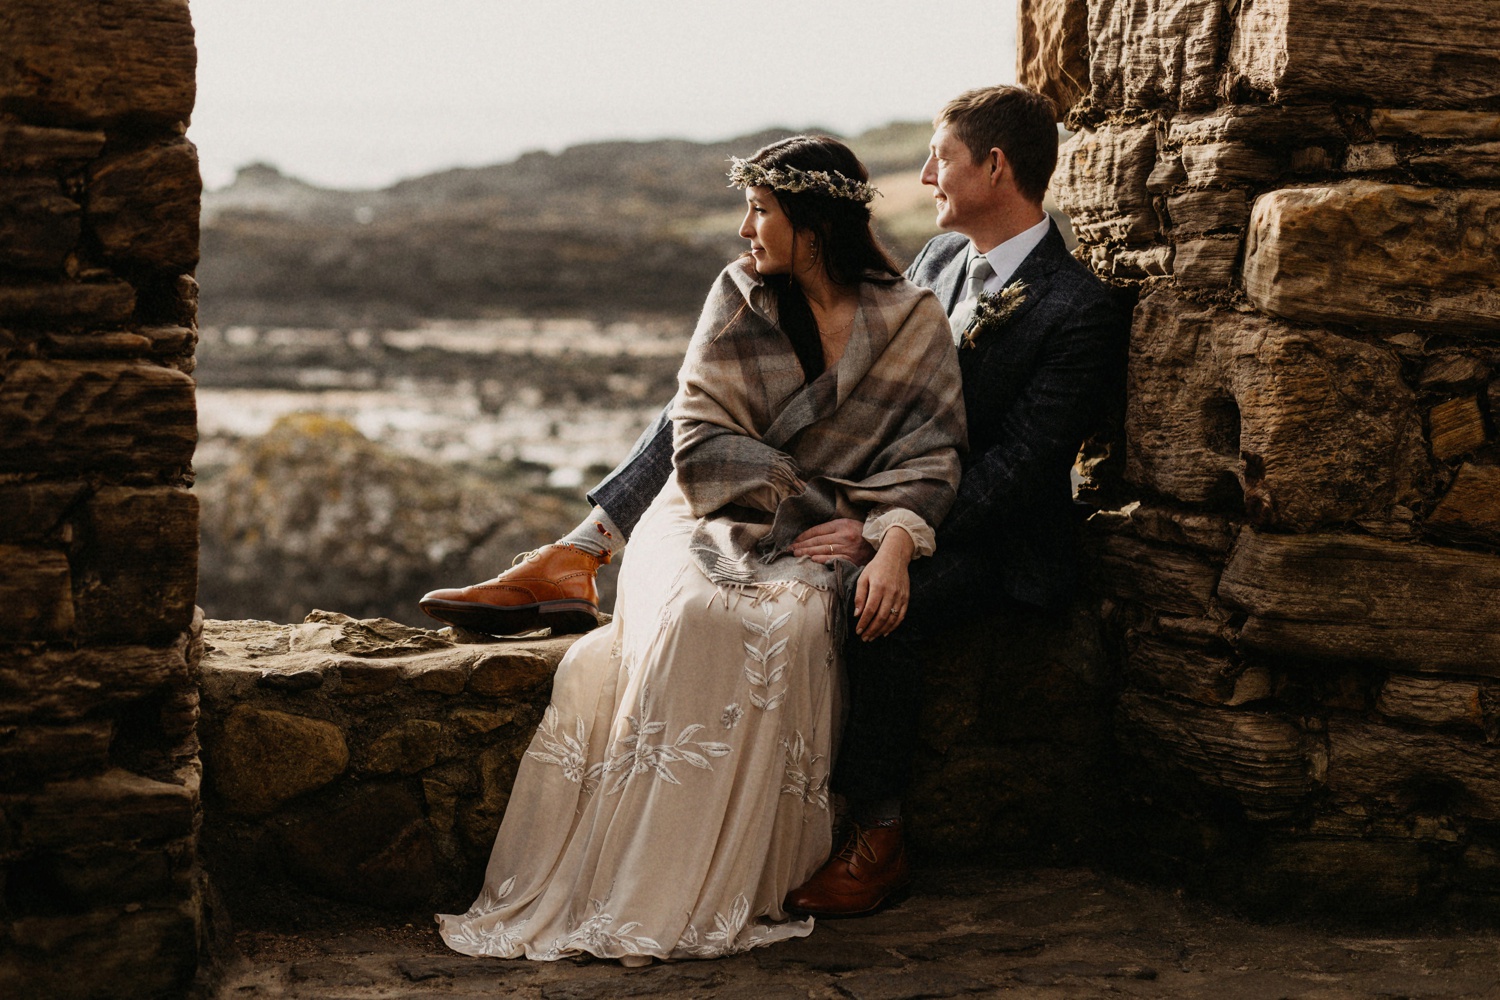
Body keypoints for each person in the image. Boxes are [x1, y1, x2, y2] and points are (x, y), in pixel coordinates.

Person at [424, 83, 1128, 919]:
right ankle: (582, 549)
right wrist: (815, 485)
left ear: (996, 165)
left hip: (991, 534)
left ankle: (881, 832)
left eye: (941, 156)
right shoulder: (939, 264)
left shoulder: (1077, 305)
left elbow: (1016, 466)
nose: (927, 172)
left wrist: (885, 530)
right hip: (887, 488)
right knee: (705, 402)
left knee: (879, 609)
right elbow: (863, 381)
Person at [434, 135, 966, 963]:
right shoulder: (738, 294)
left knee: (791, 626)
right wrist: (813, 499)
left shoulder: (911, 319)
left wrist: (882, 533)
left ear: (814, 225)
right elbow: (698, 438)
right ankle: (646, 870)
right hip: (708, 518)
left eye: (761, 209)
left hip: (833, 536)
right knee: (695, 613)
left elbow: (933, 455)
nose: (745, 227)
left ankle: (742, 872)